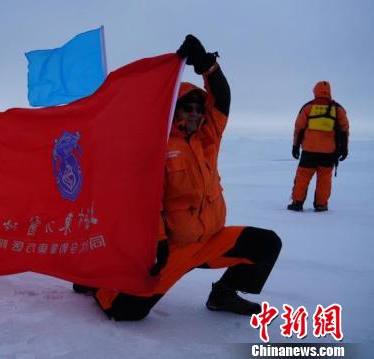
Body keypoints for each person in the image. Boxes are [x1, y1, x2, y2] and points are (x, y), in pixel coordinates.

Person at [73, 35, 282, 321]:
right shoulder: (156, 145)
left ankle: (223, 294)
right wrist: (157, 243)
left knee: (266, 244)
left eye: (199, 108)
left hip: (210, 239)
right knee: (125, 311)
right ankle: (98, 280)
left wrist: (206, 64)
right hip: (173, 248)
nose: (196, 113)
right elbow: (145, 200)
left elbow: (222, 99)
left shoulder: (208, 138)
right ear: (174, 110)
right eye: (188, 107)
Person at [287, 81, 350, 212]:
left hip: (309, 151)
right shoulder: (338, 109)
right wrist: (344, 149)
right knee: (324, 179)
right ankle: (321, 205)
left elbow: (299, 128)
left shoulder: (308, 107)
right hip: (329, 153)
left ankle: (297, 203)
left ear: (315, 91)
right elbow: (344, 130)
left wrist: (295, 146)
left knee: (302, 177)